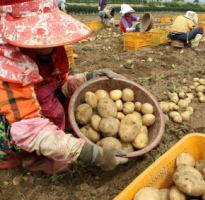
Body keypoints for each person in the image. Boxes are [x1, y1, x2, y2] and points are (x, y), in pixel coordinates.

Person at [0, 0, 128, 173]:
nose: (49, 39)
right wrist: (90, 154)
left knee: (66, 101)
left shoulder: (53, 50)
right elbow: (28, 130)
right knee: (15, 135)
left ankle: (59, 133)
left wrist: (89, 78)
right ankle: (26, 159)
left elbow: (62, 84)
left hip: (38, 109)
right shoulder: (5, 64)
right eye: (41, 31)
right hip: (16, 126)